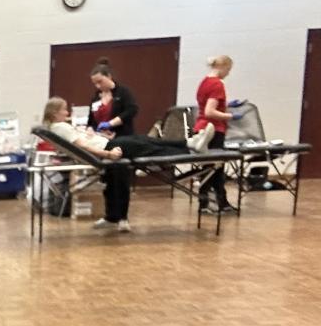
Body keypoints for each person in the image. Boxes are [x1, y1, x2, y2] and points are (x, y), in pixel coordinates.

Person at [43, 97, 214, 161]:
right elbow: (83, 146)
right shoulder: (60, 127)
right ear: (55, 112)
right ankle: (191, 151)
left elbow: (83, 141)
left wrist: (96, 135)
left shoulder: (60, 127)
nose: (67, 112)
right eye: (64, 109)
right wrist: (108, 155)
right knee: (148, 146)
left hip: (108, 144)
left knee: (145, 139)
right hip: (108, 149)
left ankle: (189, 143)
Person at [88, 59, 140, 231]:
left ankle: (123, 218)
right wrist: (91, 130)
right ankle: (110, 216)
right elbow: (91, 120)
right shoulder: (95, 97)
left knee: (121, 179)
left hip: (122, 140)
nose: (98, 86)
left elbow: (132, 110)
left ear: (109, 76)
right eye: (95, 83)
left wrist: (111, 123)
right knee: (108, 180)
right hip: (104, 143)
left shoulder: (123, 92)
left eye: (100, 81)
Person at [194, 54, 240, 213]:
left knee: (209, 167)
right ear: (223, 67)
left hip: (201, 128)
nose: (228, 73)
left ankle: (211, 203)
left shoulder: (204, 82)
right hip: (213, 130)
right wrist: (230, 116)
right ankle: (216, 203)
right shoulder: (217, 84)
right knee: (215, 168)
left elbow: (206, 106)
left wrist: (227, 105)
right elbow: (210, 111)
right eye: (229, 70)